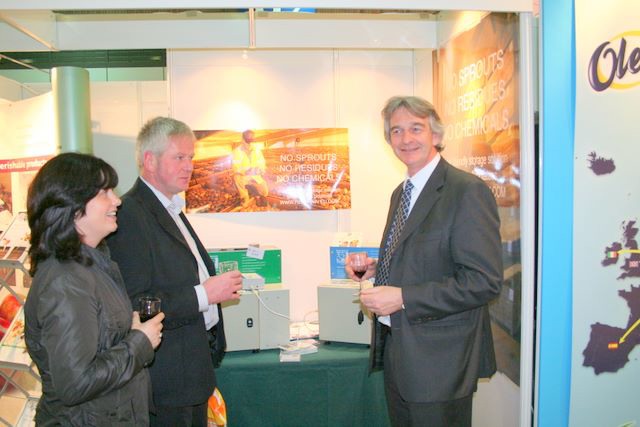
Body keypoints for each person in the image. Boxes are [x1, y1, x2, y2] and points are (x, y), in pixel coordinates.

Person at [346, 96, 503, 427]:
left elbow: (483, 281)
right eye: (396, 131)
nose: (406, 139)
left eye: (416, 128)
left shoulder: (466, 191)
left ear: (436, 134)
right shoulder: (401, 192)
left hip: (440, 364)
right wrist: (380, 267)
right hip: (399, 351)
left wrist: (403, 297)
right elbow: (427, 255)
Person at [107, 116, 243, 426]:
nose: (189, 166)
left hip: (190, 374)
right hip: (166, 383)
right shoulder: (130, 215)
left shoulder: (169, 209)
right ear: (149, 161)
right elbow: (134, 303)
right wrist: (204, 295)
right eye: (179, 157)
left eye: (191, 157)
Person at [24, 152, 165, 426]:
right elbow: (76, 383)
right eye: (104, 193)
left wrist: (132, 334)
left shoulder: (92, 265)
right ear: (72, 206)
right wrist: (140, 342)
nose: (117, 201)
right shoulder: (66, 280)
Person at [231, 129, 269, 207]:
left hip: (254, 175)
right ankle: (245, 198)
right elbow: (235, 166)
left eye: (251, 142)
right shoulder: (237, 152)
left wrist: (260, 169)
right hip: (243, 176)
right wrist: (245, 171)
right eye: (247, 142)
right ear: (242, 140)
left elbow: (261, 161)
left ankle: (256, 194)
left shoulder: (256, 150)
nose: (249, 145)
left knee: (264, 191)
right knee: (236, 177)